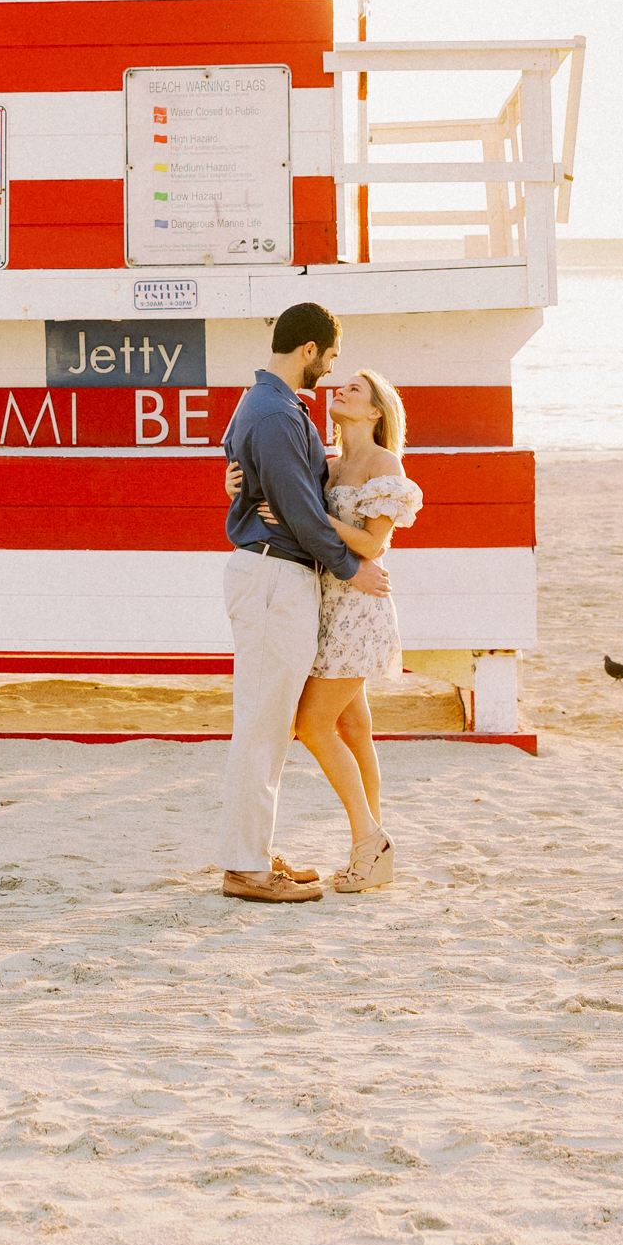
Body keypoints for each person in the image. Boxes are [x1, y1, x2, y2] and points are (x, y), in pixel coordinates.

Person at [216, 302, 393, 904]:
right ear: (310, 349)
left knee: (272, 723)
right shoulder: (275, 414)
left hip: (277, 578)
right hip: (273, 577)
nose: (334, 370)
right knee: (265, 727)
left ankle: (254, 853)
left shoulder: (269, 406)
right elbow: (302, 513)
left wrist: (241, 485)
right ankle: (245, 867)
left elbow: (236, 456)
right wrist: (352, 567)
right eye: (333, 355)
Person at [232, 367, 423, 893]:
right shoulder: (328, 463)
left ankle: (371, 842)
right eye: (339, 386)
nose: (339, 391)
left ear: (375, 411)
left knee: (312, 724)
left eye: (354, 390)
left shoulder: (385, 463)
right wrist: (238, 481)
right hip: (325, 606)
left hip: (359, 610)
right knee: (354, 729)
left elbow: (372, 546)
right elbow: (280, 482)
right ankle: (372, 845)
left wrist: (302, 518)